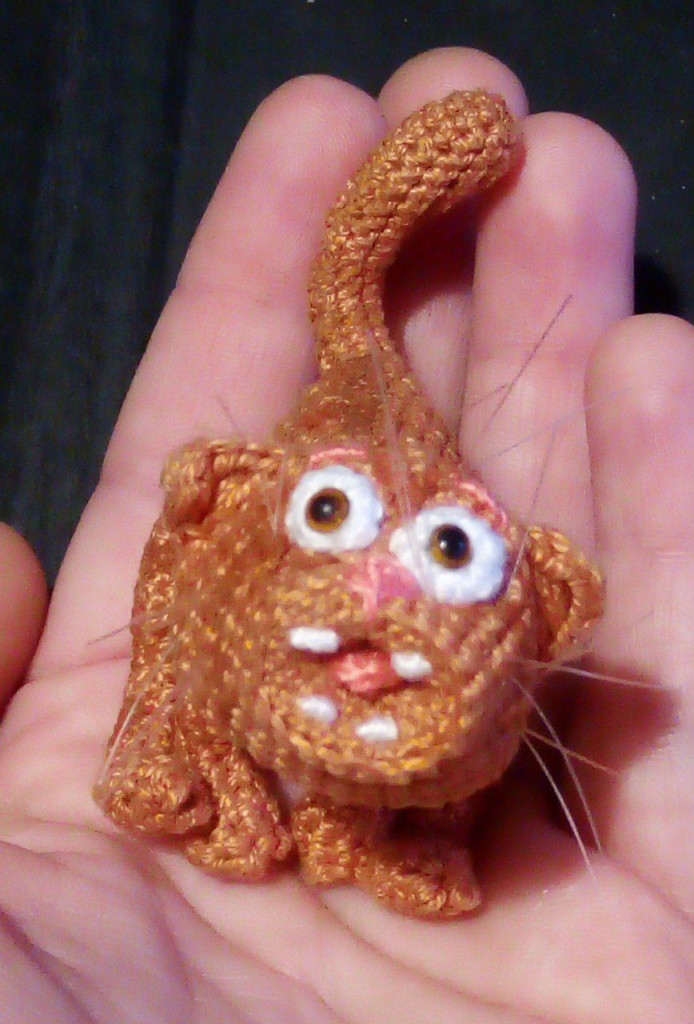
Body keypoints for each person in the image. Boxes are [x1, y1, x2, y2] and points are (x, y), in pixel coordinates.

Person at [1, 46, 693, 1023]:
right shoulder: (236, 599)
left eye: (451, 556)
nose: (381, 594)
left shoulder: (484, 715)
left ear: (554, 600)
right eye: (329, 521)